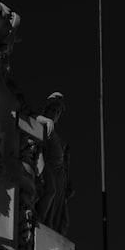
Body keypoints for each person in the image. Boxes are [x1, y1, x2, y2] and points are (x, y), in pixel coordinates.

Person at [36, 92, 73, 234]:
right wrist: (47, 121)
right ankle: (39, 220)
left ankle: (48, 225)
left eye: (58, 112)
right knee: (50, 191)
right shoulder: (45, 124)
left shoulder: (58, 135)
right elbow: (35, 118)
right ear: (46, 109)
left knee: (57, 209)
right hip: (49, 166)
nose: (55, 114)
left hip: (60, 174)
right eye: (53, 110)